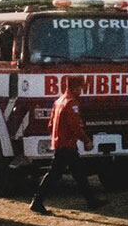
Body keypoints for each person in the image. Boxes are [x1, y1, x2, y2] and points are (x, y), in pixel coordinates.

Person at [30, 77, 103, 214]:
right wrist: (86, 140)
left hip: (61, 143)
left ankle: (91, 201)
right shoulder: (71, 103)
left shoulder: (59, 101)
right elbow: (75, 126)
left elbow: (50, 124)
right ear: (75, 87)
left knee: (77, 173)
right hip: (67, 144)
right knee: (57, 174)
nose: (82, 91)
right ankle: (37, 201)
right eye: (81, 88)